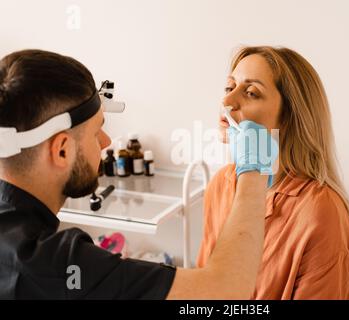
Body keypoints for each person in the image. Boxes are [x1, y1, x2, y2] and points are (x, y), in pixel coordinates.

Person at [0, 49, 277, 299]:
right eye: (97, 131)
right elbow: (223, 292)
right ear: (61, 150)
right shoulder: (57, 266)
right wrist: (252, 169)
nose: (106, 141)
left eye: (251, 91)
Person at [197, 46, 349, 299]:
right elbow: (207, 287)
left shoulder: (321, 211)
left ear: (290, 117)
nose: (226, 102)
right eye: (229, 87)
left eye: (251, 92)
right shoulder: (221, 183)